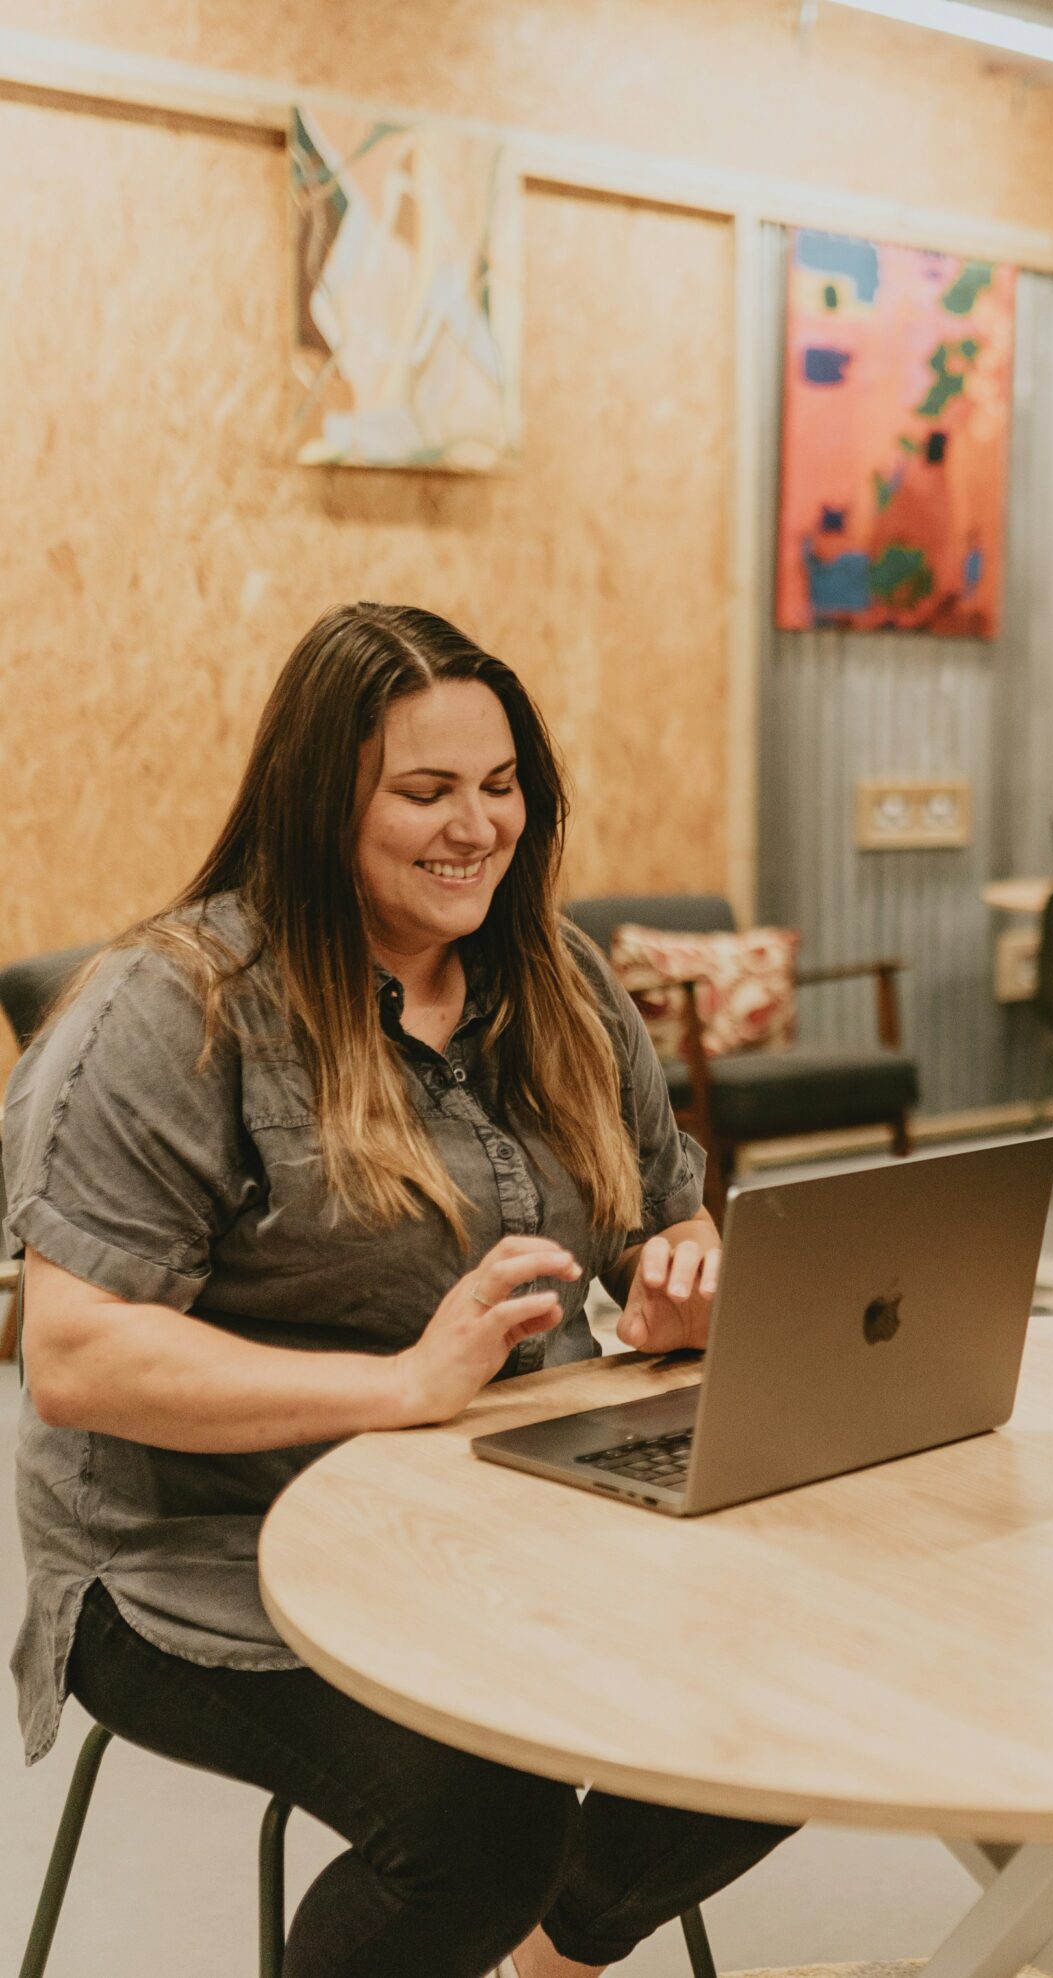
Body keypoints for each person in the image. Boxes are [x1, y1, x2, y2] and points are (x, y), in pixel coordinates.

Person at [8, 605, 791, 1978]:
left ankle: (549, 1961)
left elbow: (669, 1222)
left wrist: (686, 1282)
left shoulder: (558, 977)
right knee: (480, 1820)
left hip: (500, 1511)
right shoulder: (173, 1009)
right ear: (321, 804)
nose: (476, 826)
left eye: (500, 788)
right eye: (426, 791)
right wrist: (398, 1386)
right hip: (201, 1552)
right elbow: (74, 1355)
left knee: (808, 1685)